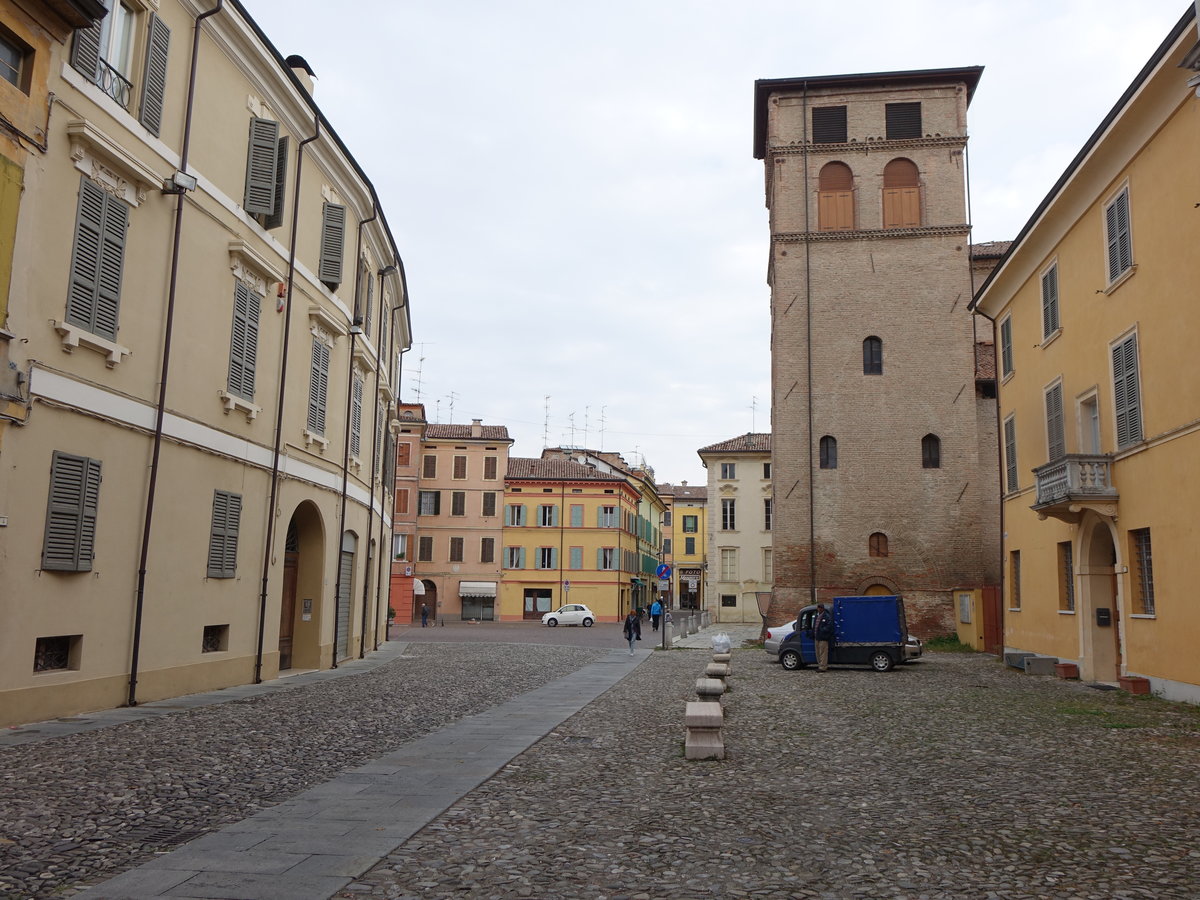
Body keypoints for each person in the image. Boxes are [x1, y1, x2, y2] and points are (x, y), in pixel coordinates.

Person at [814, 602, 834, 672]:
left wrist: (822, 630)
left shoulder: (826, 616)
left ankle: (823, 667)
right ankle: (820, 665)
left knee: (823, 653)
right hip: (817, 637)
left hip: (823, 637)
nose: (819, 609)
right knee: (818, 653)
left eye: (820, 607)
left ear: (823, 608)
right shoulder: (817, 616)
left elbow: (829, 627)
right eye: (818, 607)